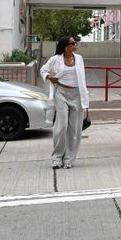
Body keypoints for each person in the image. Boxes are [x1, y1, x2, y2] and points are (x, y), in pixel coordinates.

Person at [40, 36, 89, 169]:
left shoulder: (79, 59)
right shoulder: (55, 59)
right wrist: (50, 77)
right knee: (61, 127)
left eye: (75, 43)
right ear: (65, 46)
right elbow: (43, 70)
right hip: (61, 93)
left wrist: (85, 98)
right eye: (73, 43)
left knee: (75, 130)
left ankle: (69, 159)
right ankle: (56, 158)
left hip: (77, 95)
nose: (75, 45)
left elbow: (82, 79)